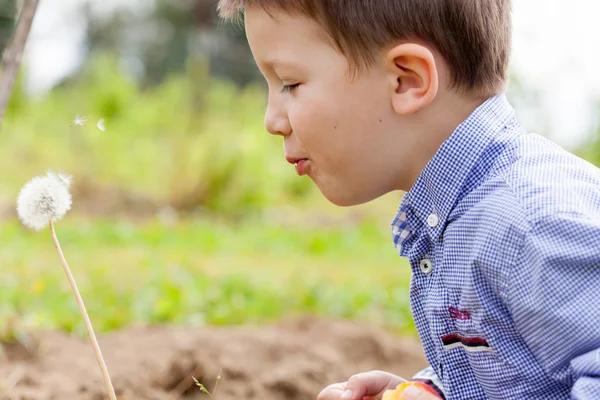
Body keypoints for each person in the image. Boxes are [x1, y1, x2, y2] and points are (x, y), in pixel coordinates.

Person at [215, 1, 600, 399]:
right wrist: (433, 391)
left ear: (407, 80)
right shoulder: (463, 217)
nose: (271, 120)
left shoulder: (534, 225)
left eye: (290, 84)